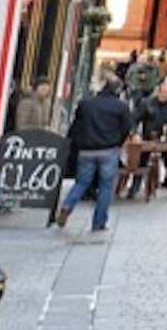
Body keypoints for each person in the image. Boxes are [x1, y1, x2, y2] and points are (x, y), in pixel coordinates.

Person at [56, 67, 134, 233]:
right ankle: (98, 222)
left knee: (82, 182)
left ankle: (68, 205)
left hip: (87, 150)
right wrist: (118, 142)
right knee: (106, 187)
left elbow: (76, 126)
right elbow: (127, 127)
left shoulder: (86, 104)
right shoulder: (120, 107)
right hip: (108, 150)